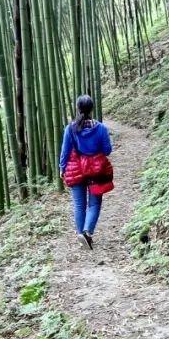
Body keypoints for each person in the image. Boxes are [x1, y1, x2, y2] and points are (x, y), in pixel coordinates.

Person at [59, 95, 112, 249]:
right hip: (96, 170)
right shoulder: (101, 128)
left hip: (77, 169)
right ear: (92, 108)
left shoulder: (71, 128)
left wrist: (62, 168)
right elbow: (107, 150)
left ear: (78, 108)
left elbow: (65, 151)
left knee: (79, 205)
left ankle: (81, 234)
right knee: (94, 203)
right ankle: (87, 233)